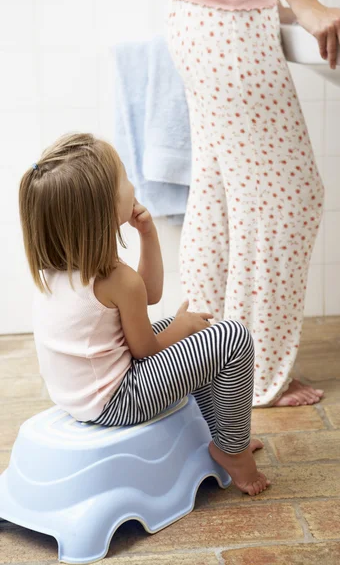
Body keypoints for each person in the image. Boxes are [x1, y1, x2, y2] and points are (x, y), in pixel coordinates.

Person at [19, 133, 269, 496]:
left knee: (192, 336)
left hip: (82, 396)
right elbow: (146, 351)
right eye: (123, 177)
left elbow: (147, 295)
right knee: (231, 339)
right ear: (103, 209)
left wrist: (147, 234)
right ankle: (232, 449)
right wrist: (182, 329)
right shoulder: (114, 278)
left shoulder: (62, 268)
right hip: (119, 399)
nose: (131, 183)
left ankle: (225, 432)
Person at [168, 0, 340, 408]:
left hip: (201, 22)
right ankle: (254, 373)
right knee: (286, 200)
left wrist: (274, 6)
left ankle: (206, 359)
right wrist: (308, 6)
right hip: (227, 32)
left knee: (215, 196)